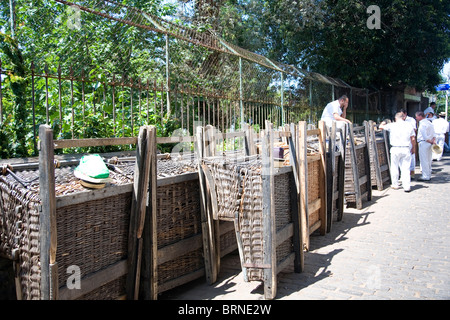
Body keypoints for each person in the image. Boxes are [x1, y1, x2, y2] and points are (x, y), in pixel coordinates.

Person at [379, 112, 416, 192]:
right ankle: (407, 186)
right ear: (403, 117)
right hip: (406, 148)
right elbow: (413, 138)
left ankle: (395, 184)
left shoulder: (392, 125)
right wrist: (413, 148)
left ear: (396, 118)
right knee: (406, 167)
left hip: (395, 148)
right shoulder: (409, 125)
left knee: (394, 166)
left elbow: (380, 127)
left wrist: (383, 122)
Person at [415, 111, 436, 181]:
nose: (416, 118)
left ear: (420, 116)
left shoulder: (422, 124)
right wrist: (433, 141)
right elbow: (434, 134)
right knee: (428, 159)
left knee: (424, 160)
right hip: (430, 143)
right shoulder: (429, 123)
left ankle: (425, 176)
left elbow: (424, 136)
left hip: (424, 142)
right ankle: (428, 173)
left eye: (416, 116)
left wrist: (429, 141)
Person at [400, 109, 417, 179]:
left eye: (402, 115)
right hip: (402, 140)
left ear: (405, 114)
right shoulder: (399, 121)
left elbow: (414, 129)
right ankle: (403, 174)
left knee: (411, 156)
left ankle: (411, 172)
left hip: (409, 139)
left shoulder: (411, 120)